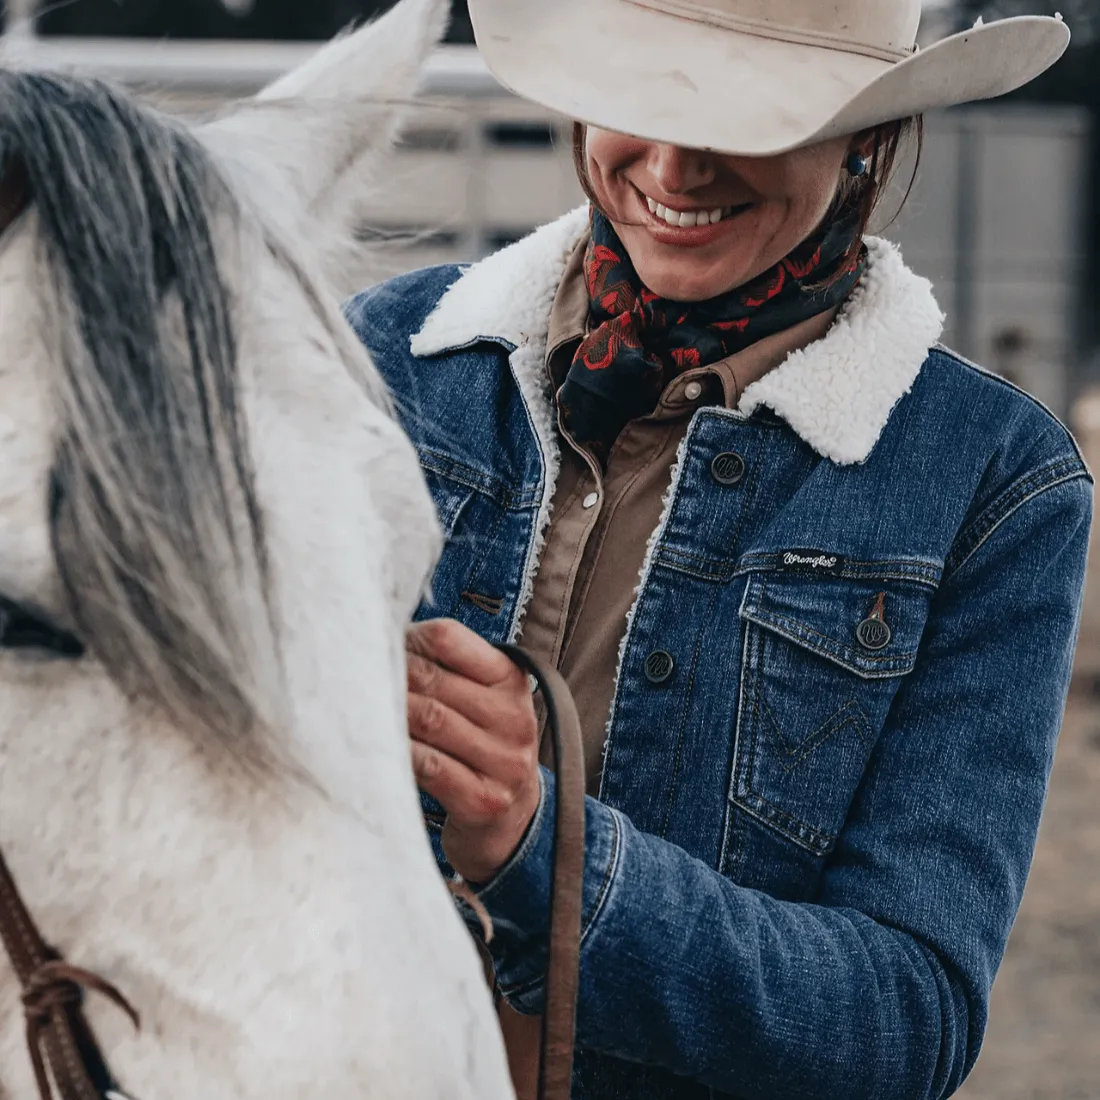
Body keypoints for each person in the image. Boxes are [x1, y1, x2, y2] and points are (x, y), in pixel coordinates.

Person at [345, 2, 1089, 1097]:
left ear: (866, 138)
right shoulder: (381, 361)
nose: (676, 165)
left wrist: (538, 852)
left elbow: (903, 1019)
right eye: (637, 100)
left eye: (751, 116)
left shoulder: (994, 484)